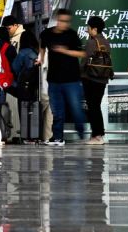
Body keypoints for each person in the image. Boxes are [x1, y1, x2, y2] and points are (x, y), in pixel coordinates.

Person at [40, 8, 87, 146]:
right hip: (53, 79)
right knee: (57, 110)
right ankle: (58, 137)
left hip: (71, 79)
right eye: (61, 21)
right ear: (57, 20)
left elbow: (82, 54)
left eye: (67, 22)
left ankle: (81, 130)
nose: (64, 24)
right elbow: (42, 46)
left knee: (75, 108)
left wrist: (64, 51)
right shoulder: (46, 34)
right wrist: (41, 58)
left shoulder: (71, 35)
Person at [82, 16, 112, 145]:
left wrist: (79, 73)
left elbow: (84, 61)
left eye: (88, 27)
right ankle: (99, 134)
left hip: (91, 78)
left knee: (93, 107)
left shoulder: (91, 42)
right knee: (96, 106)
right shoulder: (106, 41)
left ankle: (97, 136)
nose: (87, 30)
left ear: (94, 28)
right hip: (103, 79)